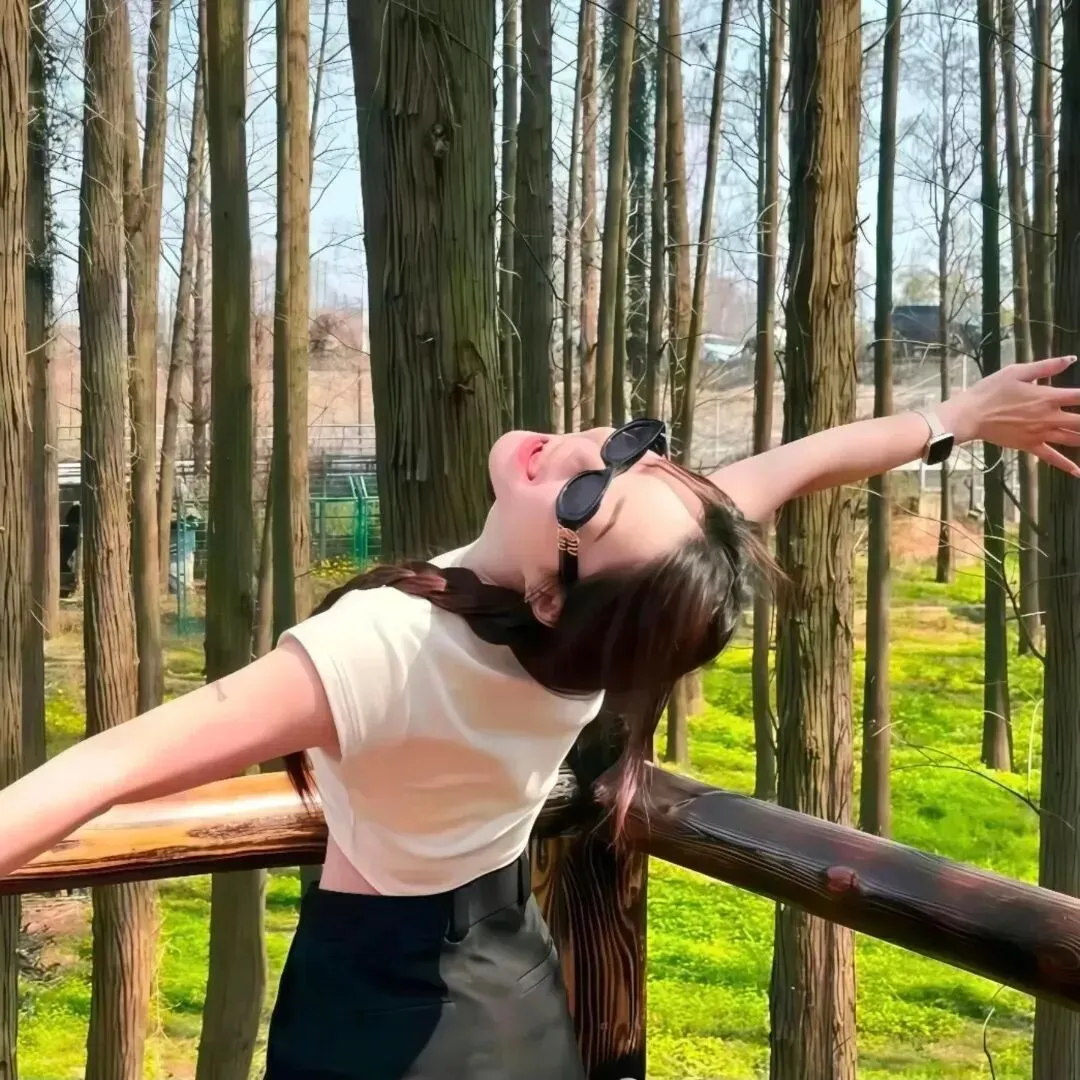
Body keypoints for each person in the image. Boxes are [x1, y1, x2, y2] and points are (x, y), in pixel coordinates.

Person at [1, 355, 1078, 1079]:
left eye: (588, 499)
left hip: (376, 1013)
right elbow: (796, 467)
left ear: (560, 594)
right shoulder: (614, 622)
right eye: (633, 449)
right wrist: (953, 420)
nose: (583, 450)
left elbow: (104, 769)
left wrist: (958, 419)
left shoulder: (386, 647)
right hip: (513, 981)